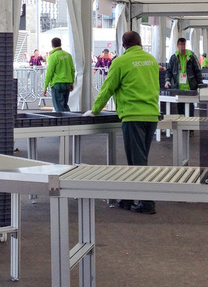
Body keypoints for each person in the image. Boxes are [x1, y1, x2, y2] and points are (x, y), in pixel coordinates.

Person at [84, 31, 160, 214]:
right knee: (139, 159)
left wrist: (94, 110)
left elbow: (107, 88)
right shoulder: (151, 60)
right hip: (151, 115)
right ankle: (128, 197)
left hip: (133, 116)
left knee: (137, 162)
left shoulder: (120, 62)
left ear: (123, 45)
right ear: (140, 43)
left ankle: (147, 203)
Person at [43, 38, 75, 112]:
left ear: (52, 45)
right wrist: (71, 83)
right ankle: (69, 120)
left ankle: (62, 122)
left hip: (57, 84)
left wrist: (45, 86)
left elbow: (49, 73)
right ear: (61, 44)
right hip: (67, 83)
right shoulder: (68, 55)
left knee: (58, 107)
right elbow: (72, 70)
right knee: (64, 105)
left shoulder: (53, 57)